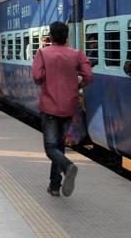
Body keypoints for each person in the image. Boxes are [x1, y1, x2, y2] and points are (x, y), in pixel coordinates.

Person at [33, 21, 92, 197]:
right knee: (59, 146)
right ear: (66, 37)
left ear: (50, 36)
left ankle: (67, 166)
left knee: (51, 148)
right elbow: (88, 75)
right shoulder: (77, 54)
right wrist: (77, 84)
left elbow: (37, 77)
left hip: (49, 106)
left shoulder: (43, 52)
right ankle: (54, 186)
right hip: (68, 106)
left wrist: (48, 78)